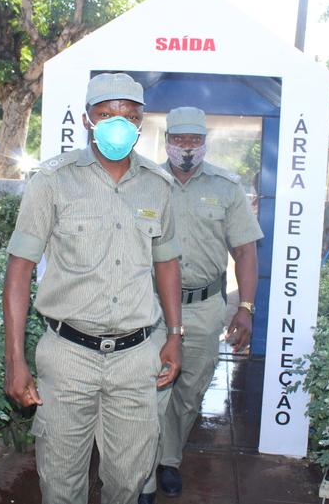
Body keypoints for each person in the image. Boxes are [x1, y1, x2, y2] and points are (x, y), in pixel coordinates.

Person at [2, 73, 183, 504]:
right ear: (87, 120)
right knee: (61, 484)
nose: (117, 124)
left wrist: (175, 335)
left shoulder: (158, 186)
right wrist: (15, 358)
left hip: (135, 357)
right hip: (68, 356)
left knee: (129, 480)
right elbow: (19, 267)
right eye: (105, 115)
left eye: (128, 116)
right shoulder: (53, 180)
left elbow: (168, 262)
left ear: (140, 124)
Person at [141, 107, 263, 503]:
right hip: (152, 306)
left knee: (189, 391)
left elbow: (245, 251)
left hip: (205, 305)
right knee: (150, 389)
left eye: (195, 139)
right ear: (168, 141)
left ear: (205, 141)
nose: (187, 147)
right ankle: (142, 477)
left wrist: (245, 306)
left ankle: (169, 460)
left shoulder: (227, 188)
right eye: (179, 139)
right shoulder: (147, 183)